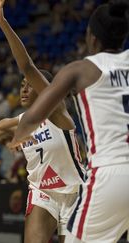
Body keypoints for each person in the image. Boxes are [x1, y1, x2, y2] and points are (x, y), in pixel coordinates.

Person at [10, 1, 129, 242]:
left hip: (110, 172)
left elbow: (32, 116)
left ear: (92, 38)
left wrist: (18, 137)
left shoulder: (80, 70)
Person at [0, 0, 85, 242]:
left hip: (76, 192)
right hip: (43, 192)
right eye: (21, 85)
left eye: (29, 85)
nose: (23, 88)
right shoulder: (17, 122)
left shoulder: (58, 112)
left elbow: (27, 67)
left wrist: (3, 23)